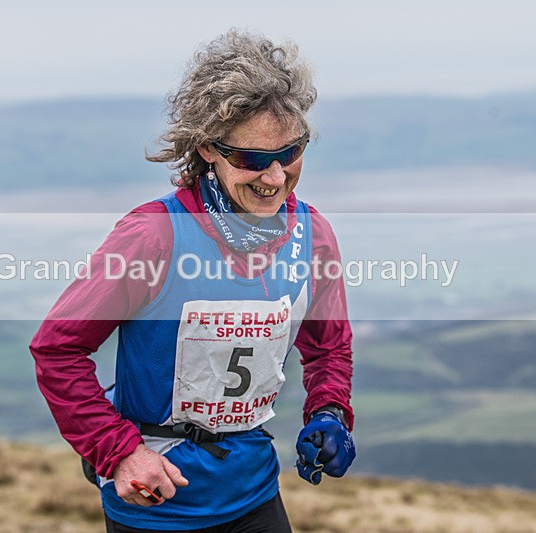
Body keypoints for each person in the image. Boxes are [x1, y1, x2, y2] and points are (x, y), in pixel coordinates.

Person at [30, 29, 355, 532]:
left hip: (254, 494)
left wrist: (330, 412)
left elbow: (328, 348)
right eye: (250, 159)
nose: (273, 177)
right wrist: (119, 454)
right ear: (208, 149)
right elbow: (57, 349)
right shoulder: (154, 235)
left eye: (290, 152)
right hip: (156, 505)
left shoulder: (313, 237)